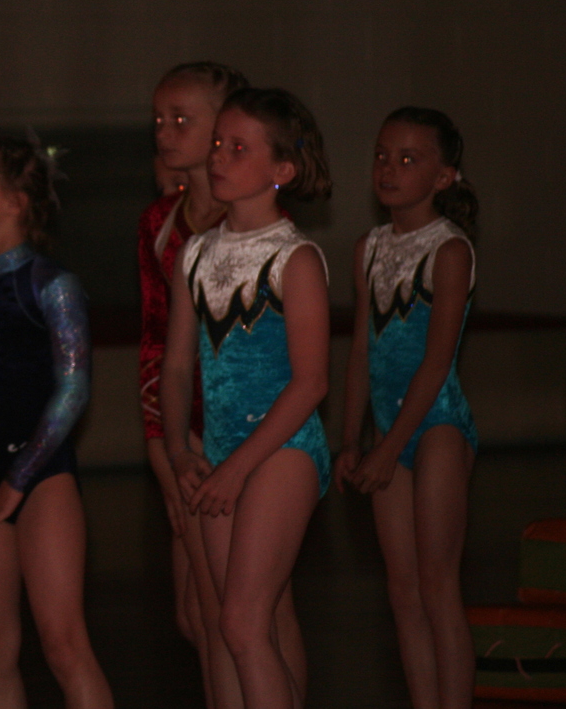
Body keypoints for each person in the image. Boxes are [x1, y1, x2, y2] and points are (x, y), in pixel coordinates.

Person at [161, 87, 332, 709]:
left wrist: (237, 467)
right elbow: (176, 366)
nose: (218, 157)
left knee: (242, 622)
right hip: (218, 449)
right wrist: (180, 449)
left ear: (281, 169)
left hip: (283, 448)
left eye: (238, 148)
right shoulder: (197, 252)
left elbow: (311, 382)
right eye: (217, 144)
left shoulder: (296, 258)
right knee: (230, 629)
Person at [0, 133, 113, 709]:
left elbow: (73, 389)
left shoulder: (51, 285)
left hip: (39, 478)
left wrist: (18, 480)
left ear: (15, 202)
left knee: (64, 644)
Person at [335, 108, 478, 709]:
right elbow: (361, 351)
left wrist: (389, 447)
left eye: (408, 159)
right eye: (381, 156)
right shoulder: (368, 248)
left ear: (443, 177)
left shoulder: (450, 250)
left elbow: (436, 362)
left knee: (438, 588)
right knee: (403, 592)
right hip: (386, 432)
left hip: (436, 425)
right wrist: (350, 440)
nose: (389, 169)